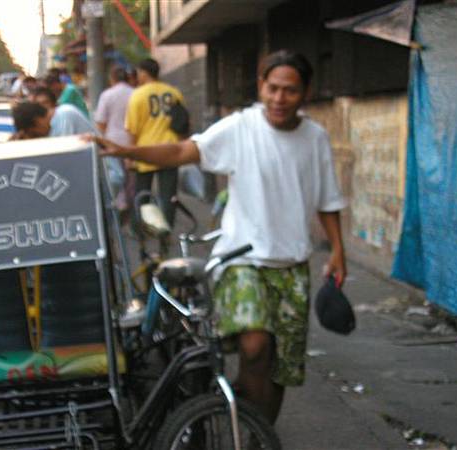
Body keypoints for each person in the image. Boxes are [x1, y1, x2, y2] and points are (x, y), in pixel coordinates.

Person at [92, 49, 348, 424]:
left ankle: (258, 432)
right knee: (255, 345)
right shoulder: (240, 128)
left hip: (293, 266)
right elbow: (183, 149)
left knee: (278, 368)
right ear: (261, 86)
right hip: (241, 259)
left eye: (289, 91)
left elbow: (327, 200)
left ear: (305, 92)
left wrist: (338, 250)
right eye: (272, 88)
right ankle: (240, 414)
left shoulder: (316, 138)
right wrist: (127, 150)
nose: (279, 98)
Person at [11, 98, 124, 194]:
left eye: (35, 134)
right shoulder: (57, 121)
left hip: (106, 177)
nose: (37, 137)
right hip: (90, 182)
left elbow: (60, 162)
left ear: (38, 122)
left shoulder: (65, 116)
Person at [124, 58, 185, 228]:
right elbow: (183, 120)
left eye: (138, 72)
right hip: (170, 150)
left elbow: (132, 129)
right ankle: (166, 229)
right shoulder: (173, 92)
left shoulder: (137, 95)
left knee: (142, 195)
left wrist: (130, 155)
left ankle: (141, 228)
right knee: (169, 196)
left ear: (144, 72)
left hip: (146, 152)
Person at [94, 66, 134, 217]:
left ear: (112, 79)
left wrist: (106, 135)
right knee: (131, 179)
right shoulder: (135, 93)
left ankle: (118, 206)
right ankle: (130, 207)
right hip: (133, 142)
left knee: (116, 175)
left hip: (112, 141)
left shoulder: (107, 95)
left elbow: (100, 121)